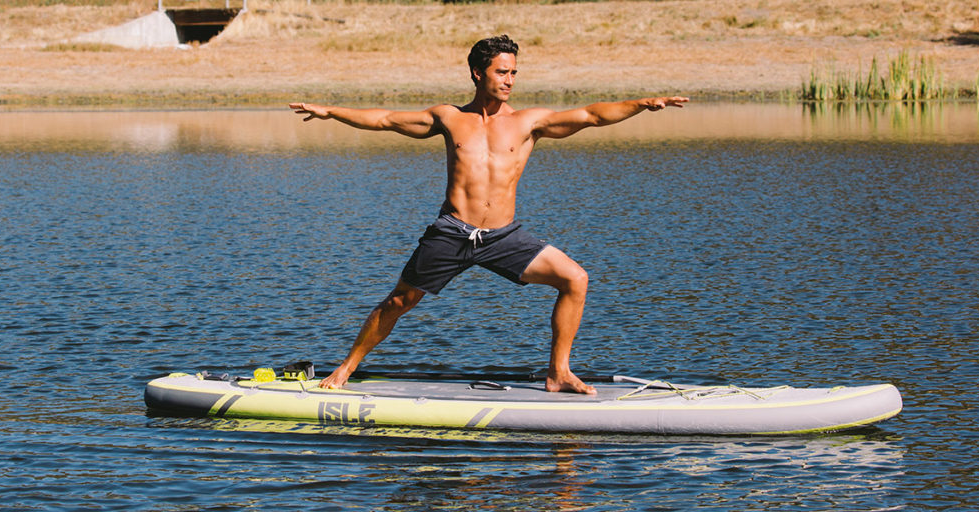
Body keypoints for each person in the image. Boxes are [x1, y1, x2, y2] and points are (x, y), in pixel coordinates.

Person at [290, 34, 687, 394]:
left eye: (514, 72)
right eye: (502, 71)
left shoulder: (528, 122)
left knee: (575, 279)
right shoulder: (450, 118)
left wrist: (642, 104)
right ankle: (345, 369)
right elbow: (385, 120)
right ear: (478, 73)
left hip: (503, 237)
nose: (510, 79)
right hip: (451, 232)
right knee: (398, 302)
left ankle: (559, 372)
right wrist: (330, 112)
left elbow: (592, 115)